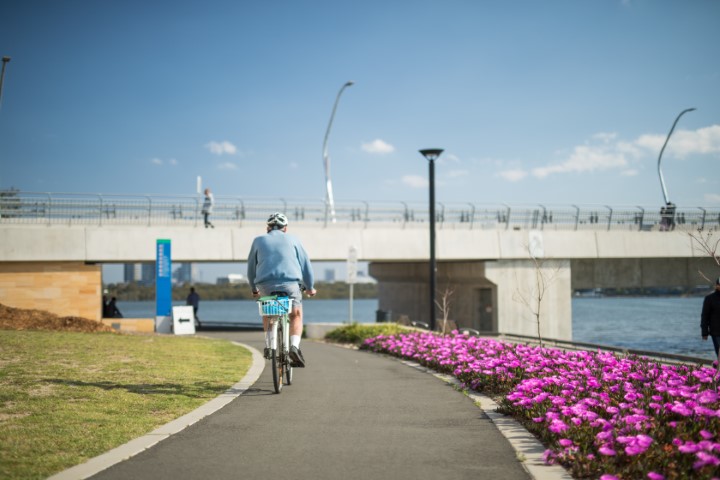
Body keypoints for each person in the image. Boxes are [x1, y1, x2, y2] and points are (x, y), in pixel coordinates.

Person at [247, 212, 316, 367]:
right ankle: (294, 346)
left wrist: (254, 289)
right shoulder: (294, 239)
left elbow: (251, 268)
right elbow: (306, 266)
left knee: (268, 314)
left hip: (265, 285)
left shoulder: (258, 240)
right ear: (285, 228)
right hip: (290, 285)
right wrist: (310, 287)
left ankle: (270, 346)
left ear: (268, 228)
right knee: (295, 315)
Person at [701, 276, 720, 361]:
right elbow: (705, 316)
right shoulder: (710, 298)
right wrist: (704, 332)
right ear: (717, 285)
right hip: (716, 332)